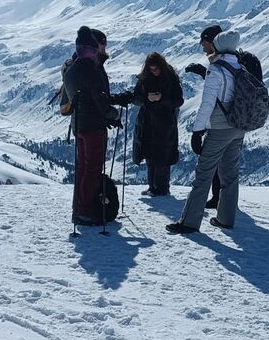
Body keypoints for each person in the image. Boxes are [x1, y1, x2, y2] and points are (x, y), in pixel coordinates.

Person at [167, 25, 246, 234]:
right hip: (238, 127)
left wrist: (197, 130)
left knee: (203, 174)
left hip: (219, 129)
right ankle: (225, 219)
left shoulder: (217, 69)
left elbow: (208, 103)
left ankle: (189, 222)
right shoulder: (240, 67)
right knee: (230, 175)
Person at [66, 26, 121, 225]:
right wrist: (113, 114)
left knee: (83, 168)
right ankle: (84, 211)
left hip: (80, 124)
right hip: (94, 126)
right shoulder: (92, 70)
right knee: (92, 169)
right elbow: (100, 101)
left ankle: (79, 207)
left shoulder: (73, 68)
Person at [121, 52, 184, 196]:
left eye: (157, 69)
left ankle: (162, 187)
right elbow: (136, 99)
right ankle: (152, 186)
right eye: (152, 69)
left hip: (165, 123)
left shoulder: (171, 80)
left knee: (163, 156)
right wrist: (146, 98)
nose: (155, 72)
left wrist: (162, 99)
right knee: (149, 154)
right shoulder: (143, 80)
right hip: (147, 122)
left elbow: (178, 101)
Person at [183, 63, 222, 209]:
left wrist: (198, 131)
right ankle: (224, 203)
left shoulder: (220, 62)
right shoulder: (235, 62)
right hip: (235, 124)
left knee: (207, 167)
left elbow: (210, 100)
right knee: (227, 167)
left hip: (219, 124)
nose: (201, 45)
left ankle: (192, 216)